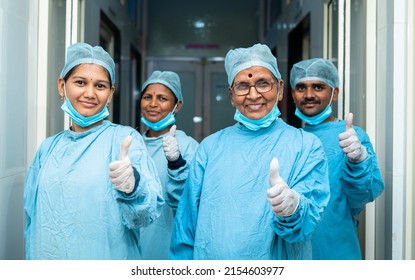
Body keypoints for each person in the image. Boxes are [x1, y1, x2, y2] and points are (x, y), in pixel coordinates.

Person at [169, 43, 330, 260]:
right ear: (232, 95)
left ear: (280, 89)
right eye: (243, 86)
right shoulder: (210, 147)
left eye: (263, 84)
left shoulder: (306, 146)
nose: (253, 95)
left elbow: (307, 224)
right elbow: (186, 226)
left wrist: (293, 207)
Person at [23, 42, 164, 260]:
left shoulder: (124, 140)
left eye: (100, 86)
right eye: (80, 82)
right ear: (62, 86)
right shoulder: (47, 148)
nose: (90, 93)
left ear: (110, 93)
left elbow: (146, 216)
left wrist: (133, 186)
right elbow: (32, 221)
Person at [290, 57, 384, 259]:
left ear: (335, 93)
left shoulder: (352, 137)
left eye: (318, 87)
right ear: (292, 94)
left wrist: (359, 161)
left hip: (337, 251)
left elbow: (366, 193)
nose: (309, 95)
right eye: (300, 88)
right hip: (294, 252)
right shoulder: (289, 140)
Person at [138, 70, 199, 259]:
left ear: (177, 105)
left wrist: (176, 163)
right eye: (147, 97)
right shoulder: (131, 144)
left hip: (168, 248)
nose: (153, 104)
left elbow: (190, 203)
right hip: (131, 248)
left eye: (162, 98)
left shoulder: (189, 147)